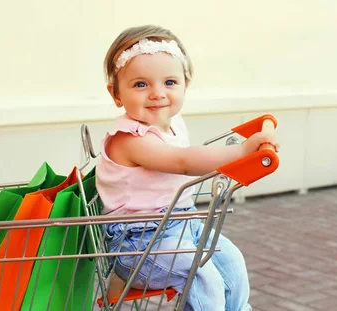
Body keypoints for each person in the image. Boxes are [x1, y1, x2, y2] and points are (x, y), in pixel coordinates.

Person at [95, 24, 278, 311]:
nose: (157, 94)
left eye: (169, 82)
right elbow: (182, 162)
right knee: (201, 274)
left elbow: (188, 155)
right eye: (140, 84)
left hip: (183, 225)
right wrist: (241, 151)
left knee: (231, 261)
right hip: (140, 244)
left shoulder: (173, 124)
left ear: (185, 85)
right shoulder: (129, 140)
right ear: (116, 94)